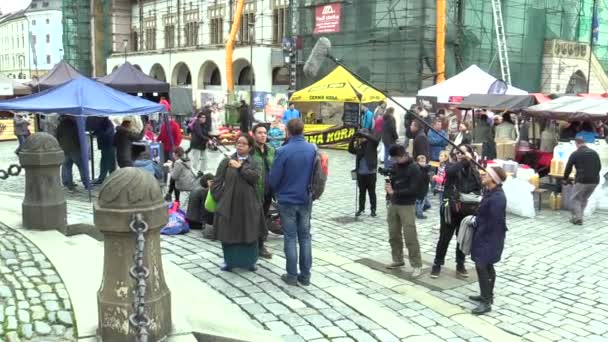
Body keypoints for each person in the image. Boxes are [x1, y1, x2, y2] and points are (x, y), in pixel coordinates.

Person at [270, 119, 316, 286]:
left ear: (288, 131)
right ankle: (305, 275)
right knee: (305, 236)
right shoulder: (312, 149)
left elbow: (274, 178)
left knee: (290, 237)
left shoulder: (282, 151)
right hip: (305, 197)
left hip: (287, 199)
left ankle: (291, 274)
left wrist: (276, 190)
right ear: (303, 130)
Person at [212, 135, 265, 272]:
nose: (239, 145)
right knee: (228, 233)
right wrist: (221, 198)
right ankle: (230, 261)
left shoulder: (255, 162)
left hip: (248, 205)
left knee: (249, 232)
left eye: (243, 144)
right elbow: (216, 182)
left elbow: (254, 178)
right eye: (238, 143)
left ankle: (250, 261)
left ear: (250, 147)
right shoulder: (226, 161)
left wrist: (240, 167)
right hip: (229, 204)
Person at [431, 144, 481, 279]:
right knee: (444, 238)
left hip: (466, 209)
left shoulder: (473, 170)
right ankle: (437, 264)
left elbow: (478, 188)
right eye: (458, 152)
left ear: (470, 154)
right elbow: (450, 172)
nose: (460, 155)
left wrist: (470, 196)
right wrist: (464, 161)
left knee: (462, 237)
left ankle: (460, 263)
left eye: (464, 153)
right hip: (450, 208)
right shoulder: (450, 166)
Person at [469, 166, 507, 315]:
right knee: (486, 266)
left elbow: (495, 221)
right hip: (484, 234)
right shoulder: (490, 191)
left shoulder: (498, 197)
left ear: (493, 179)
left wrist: (479, 225)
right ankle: (487, 295)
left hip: (490, 237)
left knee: (482, 266)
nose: (483, 175)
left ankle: (486, 302)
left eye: (487, 174)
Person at [384, 144, 423, 277]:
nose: (394, 161)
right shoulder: (396, 166)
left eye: (395, 159)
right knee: (393, 234)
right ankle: (398, 259)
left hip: (407, 205)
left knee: (410, 235)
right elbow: (393, 182)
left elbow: (414, 190)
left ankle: (416, 264)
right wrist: (389, 189)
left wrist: (394, 191)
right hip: (394, 203)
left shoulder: (414, 168)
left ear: (402, 156)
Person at [563, 137, 602, 225]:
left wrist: (565, 179)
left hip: (582, 180)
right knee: (584, 198)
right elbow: (599, 167)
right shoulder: (594, 153)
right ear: (584, 143)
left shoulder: (575, 154)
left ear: (576, 144)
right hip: (595, 181)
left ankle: (578, 218)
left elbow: (568, 168)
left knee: (575, 199)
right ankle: (579, 217)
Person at [251, 124, 275, 259]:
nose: (263, 135)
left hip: (268, 191)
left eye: (265, 133)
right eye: (259, 133)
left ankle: (260, 244)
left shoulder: (271, 150)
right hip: (255, 192)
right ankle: (254, 245)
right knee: (255, 220)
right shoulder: (250, 151)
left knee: (264, 219)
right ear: (253, 135)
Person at [348, 129, 380, 217]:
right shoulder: (359, 145)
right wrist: (353, 138)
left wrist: (364, 135)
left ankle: (373, 209)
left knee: (371, 192)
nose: (361, 138)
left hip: (371, 172)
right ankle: (361, 208)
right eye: (361, 137)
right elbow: (350, 150)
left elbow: (376, 140)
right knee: (362, 192)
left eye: (363, 136)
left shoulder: (372, 144)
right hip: (361, 173)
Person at [56, 116, 88, 190]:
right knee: (82, 167)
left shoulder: (60, 126)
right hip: (75, 149)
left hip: (65, 150)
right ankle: (86, 184)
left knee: (67, 168)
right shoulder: (74, 125)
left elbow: (57, 136)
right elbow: (78, 137)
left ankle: (70, 186)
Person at [93, 117, 116, 184]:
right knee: (104, 163)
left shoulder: (108, 123)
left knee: (110, 164)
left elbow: (106, 134)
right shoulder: (102, 123)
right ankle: (102, 179)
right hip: (105, 146)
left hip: (109, 146)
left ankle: (113, 179)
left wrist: (98, 133)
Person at [415, 155, 431, 219]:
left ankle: (418, 211)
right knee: (420, 202)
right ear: (417, 162)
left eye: (424, 161)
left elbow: (427, 179)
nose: (423, 163)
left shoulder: (425, 169)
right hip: (420, 189)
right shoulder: (418, 169)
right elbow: (421, 178)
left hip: (424, 188)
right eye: (421, 161)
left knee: (425, 203)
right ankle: (419, 214)